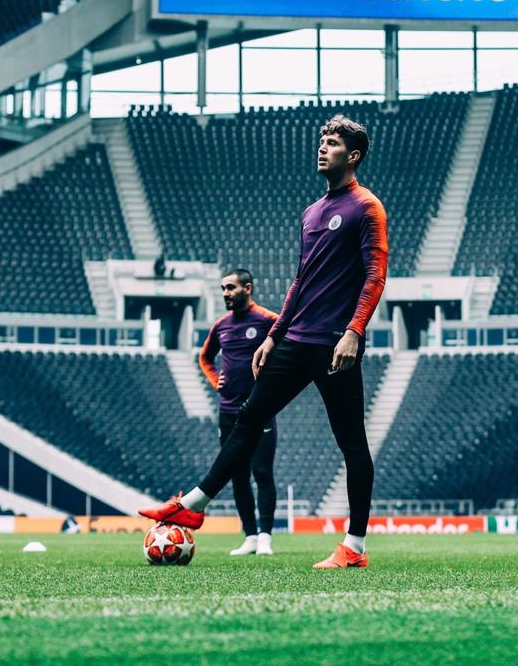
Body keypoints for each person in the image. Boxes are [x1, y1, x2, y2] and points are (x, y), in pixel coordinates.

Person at [141, 115, 387, 569]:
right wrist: (274, 336)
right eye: (322, 141)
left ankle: (354, 547)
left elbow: (375, 275)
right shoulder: (312, 212)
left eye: (332, 143)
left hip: (335, 343)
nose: (322, 148)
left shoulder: (366, 207)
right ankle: (192, 505)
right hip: (295, 339)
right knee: (248, 419)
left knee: (351, 443)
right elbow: (299, 282)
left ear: (352, 156)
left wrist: (354, 331)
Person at [199, 268, 279, 556]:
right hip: (229, 411)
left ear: (248, 288)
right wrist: (214, 379)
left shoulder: (269, 321)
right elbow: (205, 357)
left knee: (262, 472)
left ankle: (267, 536)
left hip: (260, 410)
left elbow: (288, 352)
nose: (225, 294)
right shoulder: (221, 325)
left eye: (230, 288)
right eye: (222, 288)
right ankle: (250, 536)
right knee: (238, 475)